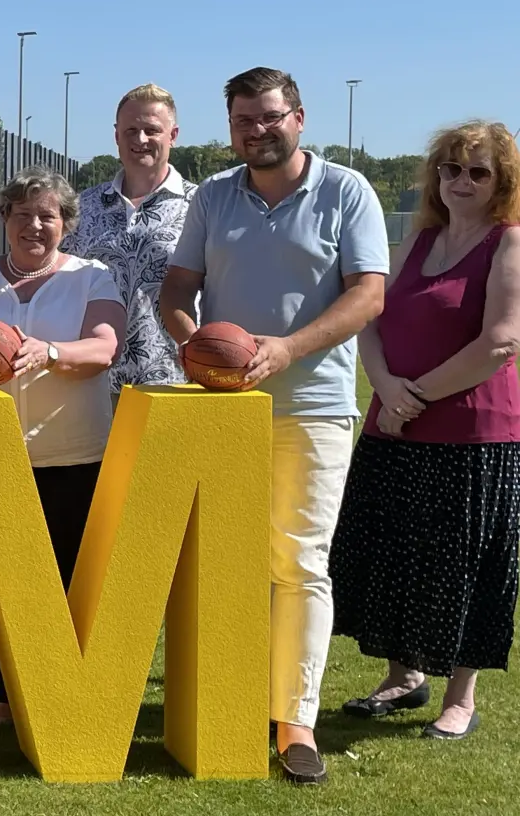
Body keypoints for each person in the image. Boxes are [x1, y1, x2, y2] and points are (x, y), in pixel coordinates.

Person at [159, 67, 390, 784]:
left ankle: (296, 718)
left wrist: (287, 349)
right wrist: (196, 347)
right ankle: (230, 696)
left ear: (299, 117)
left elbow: (368, 296)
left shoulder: (347, 190)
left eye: (269, 117)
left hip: (313, 405)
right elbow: (176, 289)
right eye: (243, 122)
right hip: (226, 409)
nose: (257, 131)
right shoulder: (212, 195)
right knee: (225, 560)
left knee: (299, 562)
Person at [330, 120, 520, 741]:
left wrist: (409, 398)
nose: (461, 181)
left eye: (478, 171)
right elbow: (371, 320)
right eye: (450, 168)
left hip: (473, 437)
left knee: (466, 565)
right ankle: (403, 676)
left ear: (501, 181)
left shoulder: (509, 243)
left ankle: (461, 697)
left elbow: (501, 343)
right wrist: (386, 388)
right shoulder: (417, 241)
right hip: (394, 427)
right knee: (393, 556)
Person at [0, 165, 125, 731]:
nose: (34, 225)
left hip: (73, 452)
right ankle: (9, 696)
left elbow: (104, 348)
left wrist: (51, 352)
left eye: (47, 215)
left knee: (69, 576)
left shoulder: (92, 276)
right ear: (4, 218)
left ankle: (71, 691)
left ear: (66, 223)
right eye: (22, 214)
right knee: (5, 580)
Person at [63, 83, 198, 399]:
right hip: (89, 386)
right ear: (116, 135)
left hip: (172, 384)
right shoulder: (82, 207)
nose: (141, 139)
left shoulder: (200, 206)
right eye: (131, 130)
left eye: (152, 130)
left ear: (173, 135)